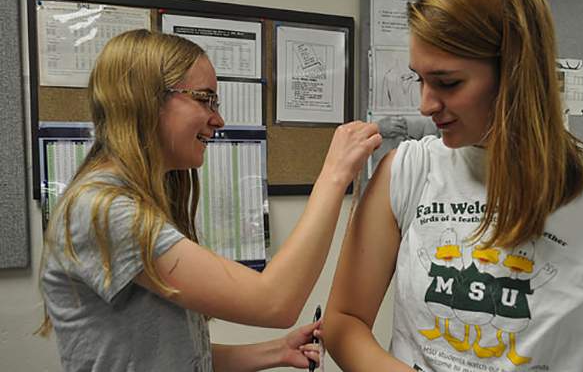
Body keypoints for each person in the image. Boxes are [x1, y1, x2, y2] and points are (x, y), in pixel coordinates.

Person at [323, 0, 583, 371]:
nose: (425, 105)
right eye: (419, 79)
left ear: (516, 75)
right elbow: (344, 322)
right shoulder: (407, 170)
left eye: (448, 83)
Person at [37, 29, 381, 371]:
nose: (218, 120)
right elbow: (276, 302)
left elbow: (169, 358)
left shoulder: (130, 202)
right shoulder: (105, 209)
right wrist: (335, 174)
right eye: (204, 99)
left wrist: (276, 351)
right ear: (145, 99)